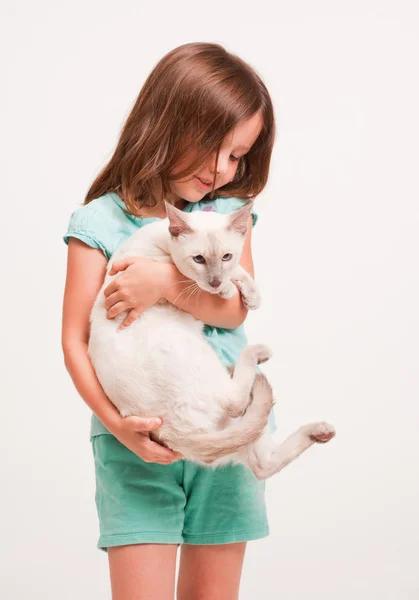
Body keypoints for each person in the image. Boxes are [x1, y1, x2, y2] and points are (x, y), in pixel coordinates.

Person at [62, 41, 276, 600]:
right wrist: (114, 424)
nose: (223, 169)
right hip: (136, 436)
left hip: (225, 429)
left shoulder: (224, 220)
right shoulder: (99, 221)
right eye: (217, 149)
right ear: (168, 123)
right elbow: (74, 338)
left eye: (237, 156)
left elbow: (234, 307)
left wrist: (163, 285)